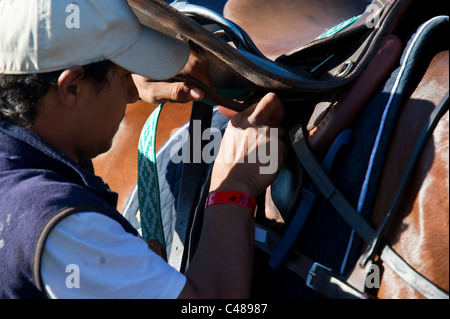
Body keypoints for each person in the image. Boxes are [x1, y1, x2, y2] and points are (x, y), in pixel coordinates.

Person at [0, 0, 286, 298]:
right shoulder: (64, 225)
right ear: (71, 87)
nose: (129, 94)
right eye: (124, 77)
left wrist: (124, 83)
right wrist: (234, 183)